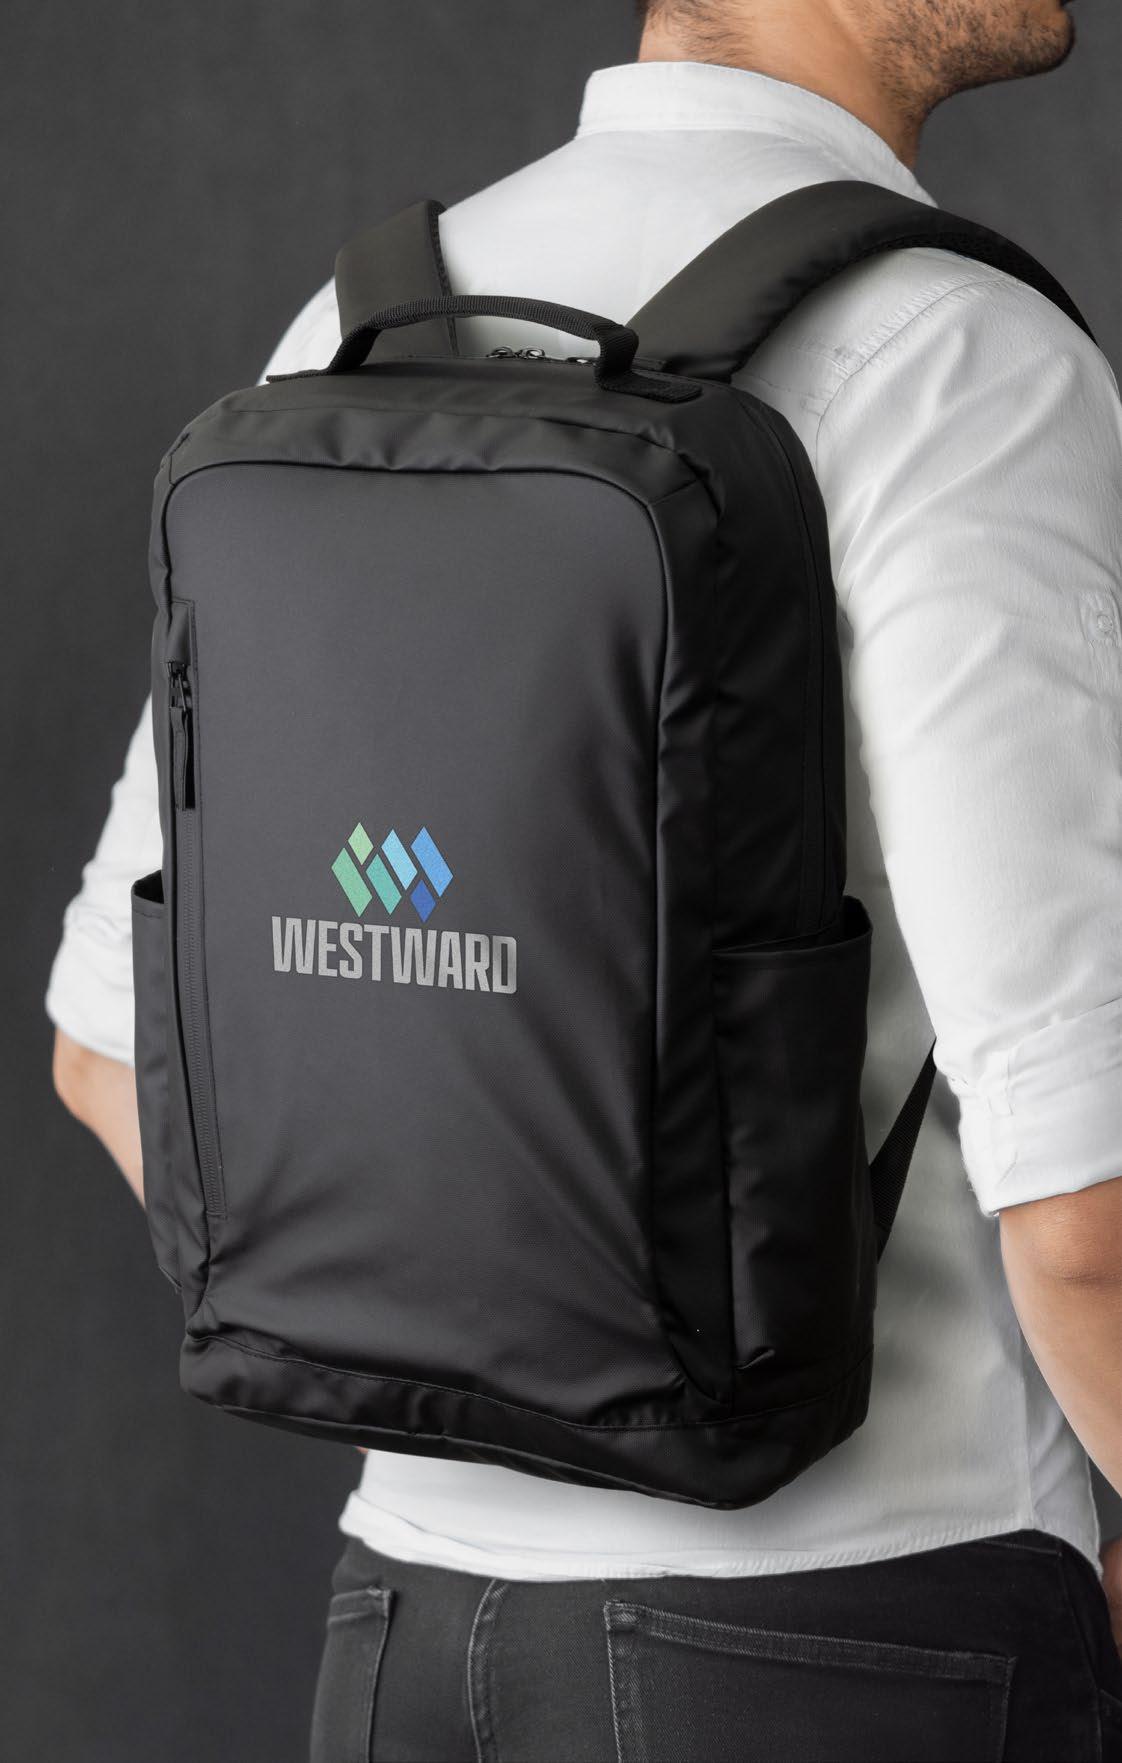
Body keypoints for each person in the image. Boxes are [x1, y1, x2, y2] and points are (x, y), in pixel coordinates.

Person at [49, 0, 1122, 1756]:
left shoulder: (357, 331)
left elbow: (110, 1057)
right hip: (855, 1633)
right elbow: (1083, 1207)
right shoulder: (949, 354)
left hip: (399, 1637)